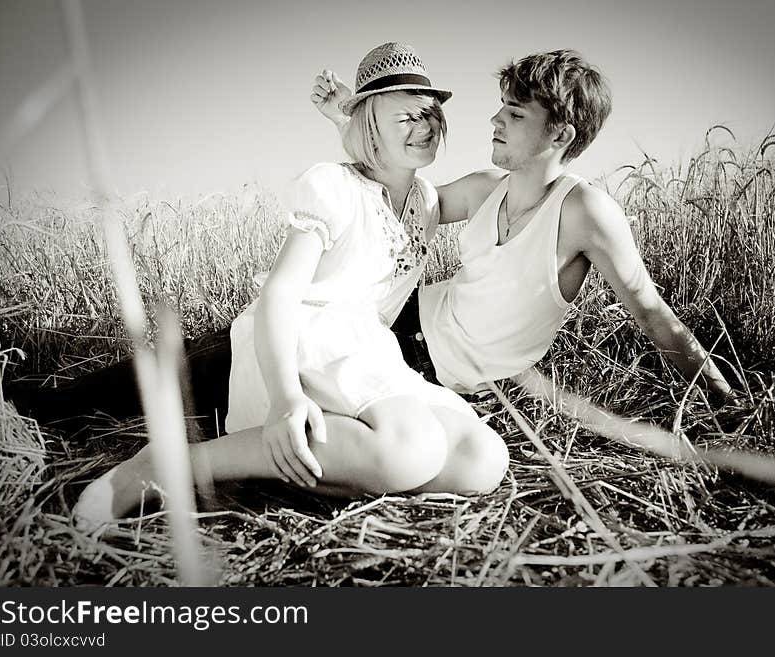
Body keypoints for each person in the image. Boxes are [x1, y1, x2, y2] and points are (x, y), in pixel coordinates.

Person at [70, 42, 509, 531]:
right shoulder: (333, 187)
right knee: (411, 452)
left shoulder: (426, 201)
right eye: (405, 117)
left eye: (429, 113)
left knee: (483, 459)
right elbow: (280, 293)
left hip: (369, 348)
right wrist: (282, 398)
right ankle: (172, 464)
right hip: (310, 340)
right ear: (370, 126)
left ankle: (317, 463)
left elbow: (503, 185)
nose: (425, 125)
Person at [311, 49, 735, 400]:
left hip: (432, 376)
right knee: (281, 358)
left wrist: (726, 402)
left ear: (561, 136)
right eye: (501, 110)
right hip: (399, 325)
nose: (495, 121)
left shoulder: (583, 212)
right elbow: (394, 196)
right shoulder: (485, 189)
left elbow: (652, 313)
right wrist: (354, 118)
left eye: (514, 115)